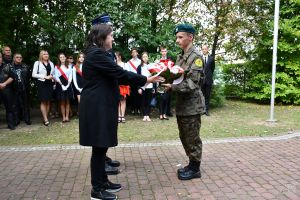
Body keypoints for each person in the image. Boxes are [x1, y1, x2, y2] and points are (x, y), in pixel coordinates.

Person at [79, 23, 163, 200]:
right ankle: (97, 190)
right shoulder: (97, 54)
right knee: (99, 147)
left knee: (102, 146)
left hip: (101, 105)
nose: (113, 38)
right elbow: (120, 73)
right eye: (110, 35)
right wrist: (147, 79)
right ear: (102, 37)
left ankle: (103, 181)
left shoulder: (97, 53)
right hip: (97, 107)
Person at [162, 24, 205, 180]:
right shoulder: (181, 56)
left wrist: (172, 87)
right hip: (182, 104)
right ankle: (191, 163)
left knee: (192, 136)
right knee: (184, 135)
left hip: (192, 105)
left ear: (190, 37)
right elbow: (177, 76)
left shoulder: (196, 57)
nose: (177, 40)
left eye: (180, 37)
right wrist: (165, 78)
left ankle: (195, 168)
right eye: (177, 37)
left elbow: (193, 83)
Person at [7, 53, 31, 125]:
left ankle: (27, 119)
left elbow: (29, 77)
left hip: (24, 87)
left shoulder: (25, 66)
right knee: (15, 104)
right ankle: (16, 120)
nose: (19, 58)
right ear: (14, 58)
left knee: (26, 104)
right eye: (17, 57)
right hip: (14, 88)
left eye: (20, 57)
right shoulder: (9, 67)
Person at [32, 50, 55, 126]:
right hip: (42, 83)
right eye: (44, 54)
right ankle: (45, 119)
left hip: (49, 83)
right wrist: (45, 76)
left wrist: (52, 77)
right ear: (41, 55)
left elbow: (53, 73)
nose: (46, 55)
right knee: (43, 101)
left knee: (48, 101)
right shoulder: (37, 63)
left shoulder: (51, 63)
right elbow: (34, 74)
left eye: (47, 54)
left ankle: (46, 116)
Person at [54, 53, 73, 123]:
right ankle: (63, 117)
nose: (62, 58)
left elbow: (71, 75)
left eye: (63, 57)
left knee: (67, 101)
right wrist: (62, 85)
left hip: (68, 83)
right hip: (60, 84)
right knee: (62, 102)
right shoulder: (56, 67)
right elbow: (56, 76)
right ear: (59, 59)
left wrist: (68, 84)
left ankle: (67, 117)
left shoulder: (69, 66)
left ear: (65, 58)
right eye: (60, 57)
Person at [0, 52, 16, 130]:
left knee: (9, 107)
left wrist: (4, 84)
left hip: (6, 89)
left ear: (1, 58)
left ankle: (11, 124)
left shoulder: (7, 66)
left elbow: (12, 77)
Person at [137, 52, 154, 122]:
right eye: (143, 57)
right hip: (142, 87)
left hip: (150, 86)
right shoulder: (139, 67)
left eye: (146, 56)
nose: (145, 58)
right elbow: (137, 78)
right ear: (141, 58)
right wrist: (139, 88)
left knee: (148, 102)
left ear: (148, 57)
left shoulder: (151, 66)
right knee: (143, 101)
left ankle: (148, 115)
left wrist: (154, 88)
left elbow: (154, 77)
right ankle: (144, 115)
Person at [159, 46, 173, 117]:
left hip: (168, 81)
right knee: (161, 98)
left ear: (166, 52)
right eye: (162, 51)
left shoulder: (169, 61)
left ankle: (164, 114)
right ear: (161, 52)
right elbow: (157, 72)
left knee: (167, 98)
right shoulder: (158, 61)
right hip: (161, 81)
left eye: (165, 51)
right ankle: (160, 114)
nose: (164, 52)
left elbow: (172, 71)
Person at [115, 51, 129, 123]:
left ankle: (122, 116)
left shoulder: (125, 64)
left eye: (116, 56)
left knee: (123, 100)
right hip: (115, 85)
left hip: (123, 85)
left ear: (119, 57)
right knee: (117, 100)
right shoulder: (113, 65)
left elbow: (127, 74)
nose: (115, 58)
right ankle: (118, 115)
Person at [127, 48, 142, 115]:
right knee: (132, 95)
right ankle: (133, 109)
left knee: (139, 95)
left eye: (135, 52)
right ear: (131, 54)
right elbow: (128, 71)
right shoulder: (129, 62)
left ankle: (138, 109)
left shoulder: (140, 61)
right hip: (132, 80)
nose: (134, 53)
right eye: (133, 52)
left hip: (139, 79)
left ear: (137, 53)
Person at [201, 45, 215, 116]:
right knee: (201, 95)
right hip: (201, 80)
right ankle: (202, 110)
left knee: (207, 95)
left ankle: (206, 110)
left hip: (208, 80)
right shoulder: (199, 58)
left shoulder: (211, 58)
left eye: (205, 49)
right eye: (203, 49)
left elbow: (212, 69)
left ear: (207, 50)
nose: (204, 50)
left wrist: (208, 76)